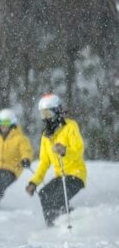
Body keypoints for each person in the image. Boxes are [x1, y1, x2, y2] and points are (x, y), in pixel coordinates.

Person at [25, 94, 86, 227]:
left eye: (48, 113)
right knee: (44, 193)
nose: (45, 117)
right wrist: (34, 182)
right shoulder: (46, 136)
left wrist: (64, 151)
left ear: (57, 111)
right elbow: (44, 162)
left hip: (75, 174)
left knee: (58, 198)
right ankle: (52, 225)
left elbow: (78, 150)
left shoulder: (70, 126)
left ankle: (71, 223)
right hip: (61, 176)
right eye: (42, 114)